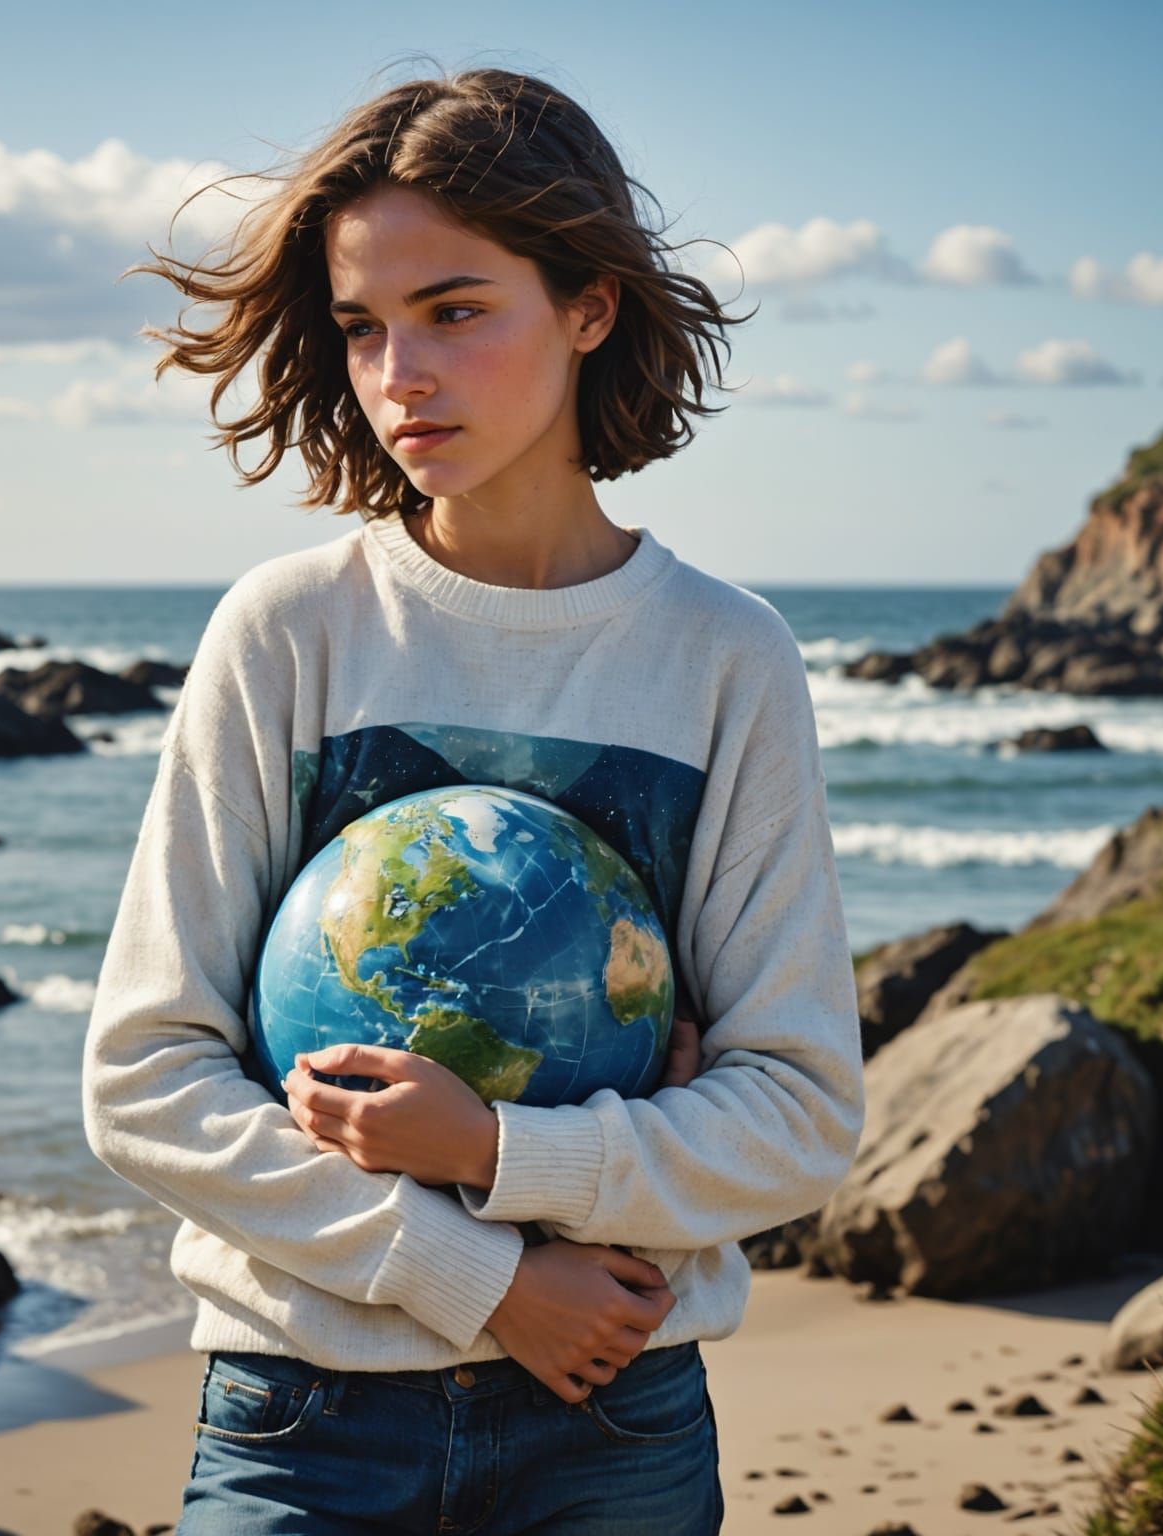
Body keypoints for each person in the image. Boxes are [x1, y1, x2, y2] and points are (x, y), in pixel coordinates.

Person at [82, 61, 866, 1535]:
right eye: (364, 327)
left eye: (454, 311)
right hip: (304, 1411)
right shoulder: (293, 630)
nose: (401, 378)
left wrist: (499, 1152)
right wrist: (490, 1276)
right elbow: (143, 1079)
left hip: (611, 1417)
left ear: (588, 306)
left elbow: (802, 1113)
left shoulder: (725, 658)